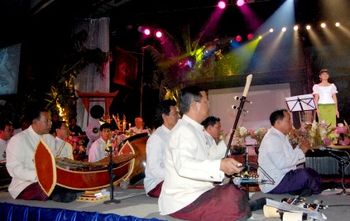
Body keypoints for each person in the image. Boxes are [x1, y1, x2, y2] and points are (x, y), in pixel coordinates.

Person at [158, 86, 250, 220]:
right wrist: (219, 166)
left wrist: (225, 143)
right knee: (232, 197)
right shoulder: (183, 131)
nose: (209, 104)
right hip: (183, 200)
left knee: (235, 191)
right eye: (206, 101)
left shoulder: (195, 129)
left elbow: (208, 157)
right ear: (195, 105)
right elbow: (184, 166)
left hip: (199, 191)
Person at [6, 105, 76, 202]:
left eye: (50, 120)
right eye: (46, 121)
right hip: (25, 184)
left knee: (73, 186)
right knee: (61, 192)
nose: (50, 123)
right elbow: (14, 169)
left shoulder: (50, 139)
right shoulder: (18, 139)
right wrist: (40, 176)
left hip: (49, 180)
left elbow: (53, 163)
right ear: (35, 121)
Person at [258, 109, 321, 196]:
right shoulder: (271, 139)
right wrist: (301, 150)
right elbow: (281, 163)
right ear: (278, 122)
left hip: (283, 176)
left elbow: (289, 156)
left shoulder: (281, 136)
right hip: (274, 182)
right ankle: (317, 191)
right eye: (288, 120)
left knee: (310, 172)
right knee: (305, 175)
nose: (291, 123)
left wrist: (300, 147)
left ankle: (305, 190)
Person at [144, 99, 179, 198]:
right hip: (157, 183)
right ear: (164, 116)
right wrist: (177, 175)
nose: (178, 116)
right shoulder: (156, 138)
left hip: (172, 178)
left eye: (177, 113)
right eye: (174, 114)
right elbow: (155, 169)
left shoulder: (177, 133)